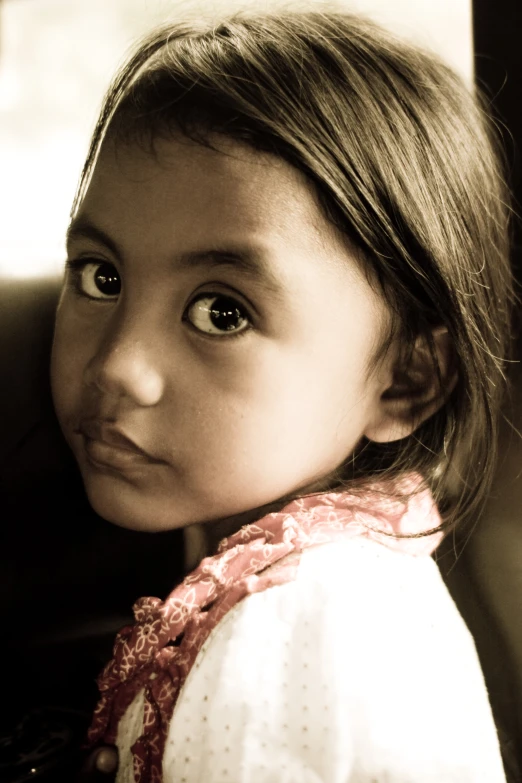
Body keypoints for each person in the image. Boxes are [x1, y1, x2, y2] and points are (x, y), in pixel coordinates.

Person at [50, 9, 514, 782]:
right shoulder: (305, 580)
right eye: (102, 277)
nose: (119, 365)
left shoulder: (289, 631)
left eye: (222, 312)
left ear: (405, 379)